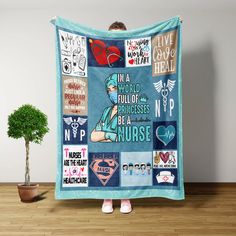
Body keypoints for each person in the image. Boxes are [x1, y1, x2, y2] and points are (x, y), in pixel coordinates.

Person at [101, 21, 132, 214]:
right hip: (110, 115)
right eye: (113, 35)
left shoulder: (131, 56)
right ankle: (107, 197)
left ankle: (126, 197)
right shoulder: (103, 58)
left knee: (127, 155)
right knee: (108, 156)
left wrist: (173, 27)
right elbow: (96, 136)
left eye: (120, 35)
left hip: (129, 109)